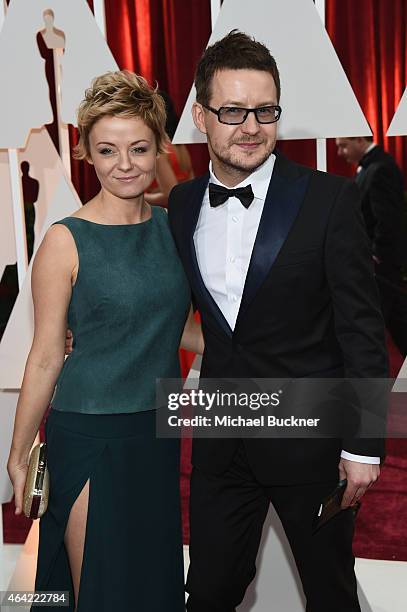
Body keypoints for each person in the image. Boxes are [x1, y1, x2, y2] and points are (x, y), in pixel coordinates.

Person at [167, 31, 388, 612]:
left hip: (311, 446)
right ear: (200, 116)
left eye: (265, 111)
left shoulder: (330, 200)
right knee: (209, 590)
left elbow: (362, 333)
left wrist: (364, 446)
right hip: (222, 443)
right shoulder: (184, 205)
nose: (250, 126)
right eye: (232, 110)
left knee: (330, 593)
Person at [7, 70, 203, 612]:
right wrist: (20, 450)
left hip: (156, 434)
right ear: (86, 154)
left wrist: (261, 353)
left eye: (139, 149)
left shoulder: (171, 230)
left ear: (160, 147)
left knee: (151, 588)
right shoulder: (65, 241)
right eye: (108, 150)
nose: (125, 164)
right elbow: (46, 354)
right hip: (87, 438)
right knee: (101, 591)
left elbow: (173, 328)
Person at [336, 136, 407, 356]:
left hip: (381, 268)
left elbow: (389, 221)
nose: (340, 153)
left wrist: (376, 257)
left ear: (359, 140)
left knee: (373, 330)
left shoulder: (380, 168)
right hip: (376, 266)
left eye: (343, 145)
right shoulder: (371, 167)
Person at [145, 90, 194, 207]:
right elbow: (191, 181)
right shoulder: (179, 144)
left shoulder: (160, 149)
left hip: (166, 216)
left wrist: (138, 197)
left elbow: (170, 196)